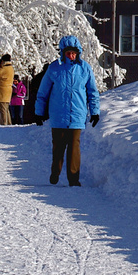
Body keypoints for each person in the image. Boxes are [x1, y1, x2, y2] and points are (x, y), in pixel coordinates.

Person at [34, 35, 101, 186]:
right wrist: (39, 112)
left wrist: (95, 111)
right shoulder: (54, 68)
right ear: (62, 52)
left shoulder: (84, 68)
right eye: (68, 53)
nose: (71, 56)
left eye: (74, 53)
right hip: (58, 115)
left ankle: (73, 178)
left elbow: (92, 91)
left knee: (74, 146)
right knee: (58, 147)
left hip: (77, 114)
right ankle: (55, 172)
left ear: (78, 53)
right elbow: (43, 92)